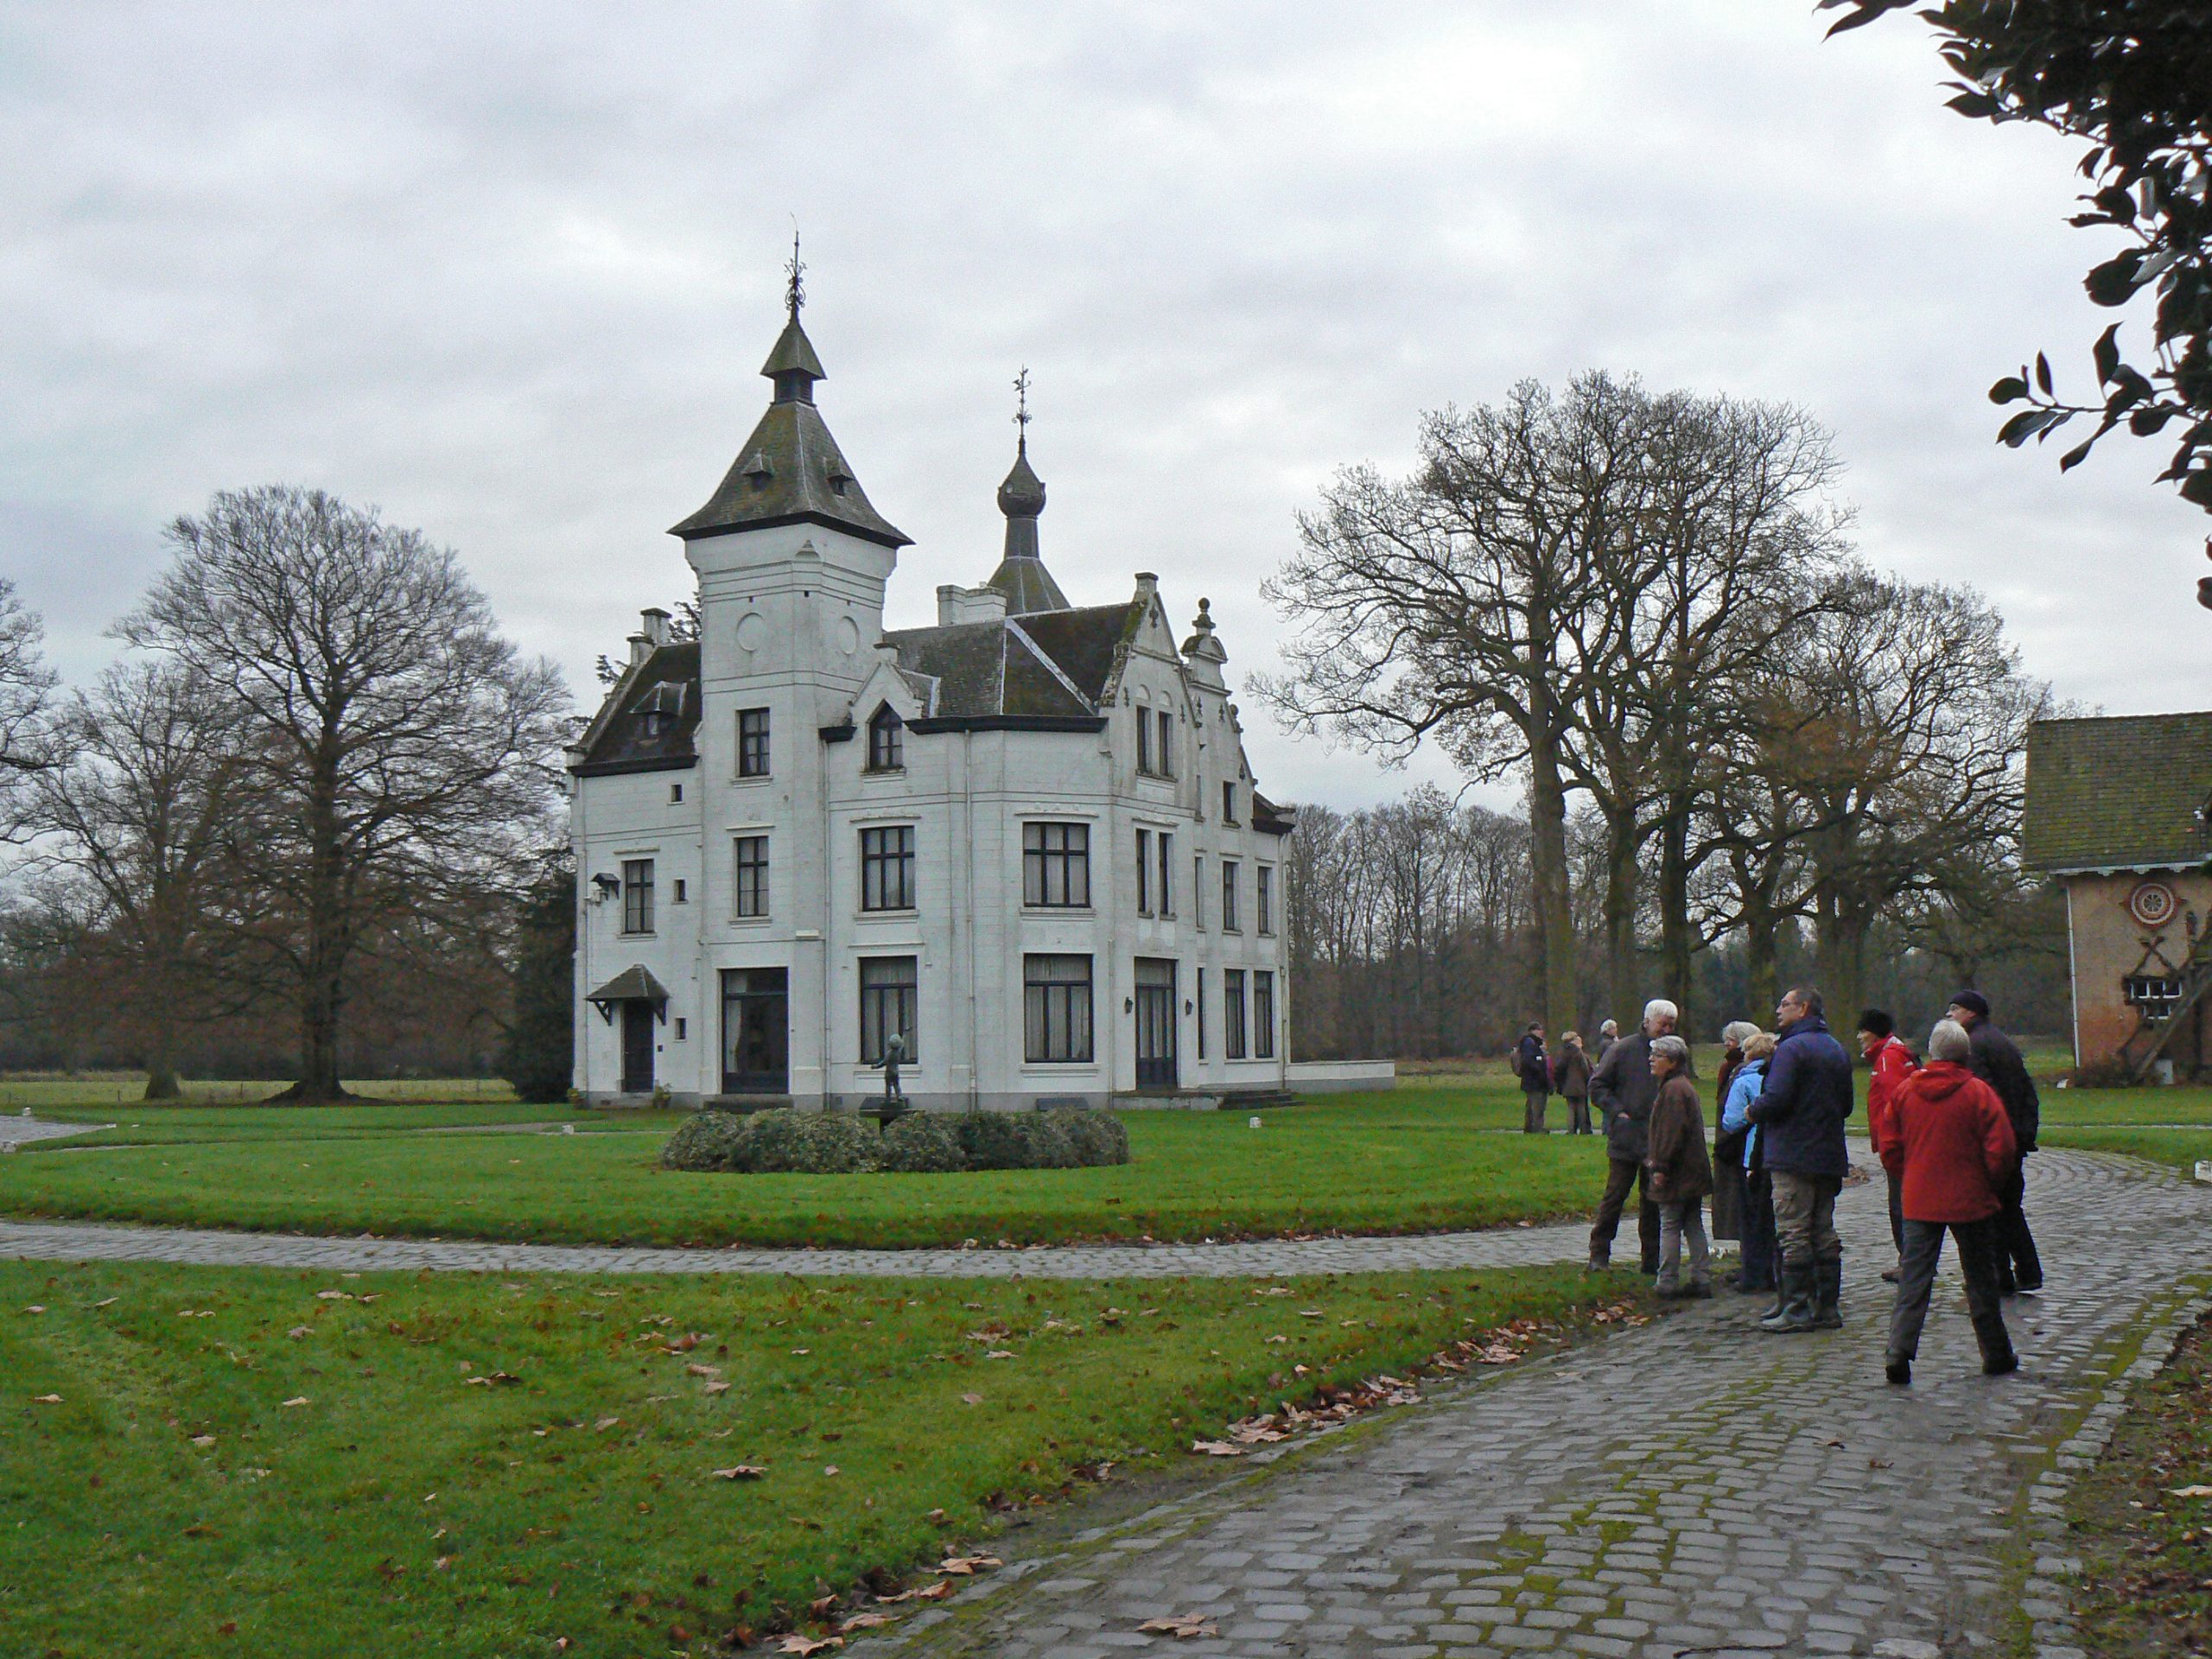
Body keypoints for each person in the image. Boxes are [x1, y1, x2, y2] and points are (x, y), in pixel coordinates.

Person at [1875, 1018, 2019, 1384]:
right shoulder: (1979, 1093)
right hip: (1970, 1198)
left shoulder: (1906, 1092)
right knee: (1980, 1279)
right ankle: (1996, 1353)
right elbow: (2001, 1149)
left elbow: (1890, 1145)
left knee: (1915, 1278)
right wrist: (1990, 1182)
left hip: (1921, 1198)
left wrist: (1910, 1175)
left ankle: (1898, 1351)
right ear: (1965, 1054)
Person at [1746, 986, 1854, 1333]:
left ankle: (1796, 1308)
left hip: (1793, 1154)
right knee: (1823, 1230)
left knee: (1792, 1230)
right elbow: (1848, 1105)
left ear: (1803, 1008)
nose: (1779, 1010)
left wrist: (1752, 1109)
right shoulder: (1836, 1048)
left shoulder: (1791, 1049)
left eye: (1785, 1004)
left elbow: (1777, 1098)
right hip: (1828, 1154)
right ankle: (1826, 1307)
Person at [1948, 989, 2043, 1295]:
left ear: (1971, 1013)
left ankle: (1999, 1277)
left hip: (1996, 1142)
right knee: (2010, 1208)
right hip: (2014, 1136)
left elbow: (1983, 1100)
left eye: (1955, 1009)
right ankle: (2028, 1271)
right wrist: (2025, 1133)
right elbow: (2027, 1091)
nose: (1950, 1015)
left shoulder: (1974, 1046)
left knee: (1993, 1210)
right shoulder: (2001, 1041)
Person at [1585, 999, 1675, 1274]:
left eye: (1672, 1025)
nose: (1667, 1029)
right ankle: (1599, 1254)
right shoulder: (1621, 1050)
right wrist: (1617, 1111)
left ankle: (1651, 1259)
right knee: (1615, 1197)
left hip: (1656, 1140)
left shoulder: (1673, 1053)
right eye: (1663, 1024)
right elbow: (1598, 1085)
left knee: (1653, 1202)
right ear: (1648, 1022)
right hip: (1625, 1138)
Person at [1643, 1034, 1715, 1298]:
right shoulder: (1681, 1086)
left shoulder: (1673, 1090)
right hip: (1692, 1171)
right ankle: (1701, 1277)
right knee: (1692, 1223)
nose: (1651, 1059)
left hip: (1678, 1171)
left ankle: (1667, 1281)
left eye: (1657, 1055)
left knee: (1670, 1224)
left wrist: (1660, 1166)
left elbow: (1671, 1133)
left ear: (1672, 1061)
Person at [1856, 1009, 1917, 1284]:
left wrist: (1889, 1145)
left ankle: (1910, 1263)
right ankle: (1912, 1260)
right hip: (1903, 1143)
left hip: (1898, 1146)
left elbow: (1895, 1103)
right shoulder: (1893, 1054)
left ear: (1874, 1032)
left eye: (1863, 1031)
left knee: (1900, 1205)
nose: (1859, 1037)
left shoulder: (1887, 1059)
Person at [1721, 1031, 1779, 1297]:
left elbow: (1730, 1122)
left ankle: (1755, 1274)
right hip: (1778, 1153)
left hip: (1751, 1156)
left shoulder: (1743, 1081)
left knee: (1752, 1218)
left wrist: (1749, 1116)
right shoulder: (1779, 1077)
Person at [1710, 1020, 1760, 1254]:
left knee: (1735, 1194)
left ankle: (1738, 1243)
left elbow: (1733, 1114)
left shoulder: (1740, 1071)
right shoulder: (1732, 1068)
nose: (1725, 1043)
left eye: (1730, 1038)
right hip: (1735, 1141)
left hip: (1735, 1141)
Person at [1515, 1021, 1551, 1135]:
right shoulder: (1529, 1043)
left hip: (1532, 1080)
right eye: (1539, 1030)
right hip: (1534, 1080)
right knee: (1537, 1106)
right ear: (1533, 1031)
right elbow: (1529, 1061)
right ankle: (1537, 1127)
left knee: (1532, 1105)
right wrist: (1540, 1069)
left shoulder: (1535, 1043)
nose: (1542, 1032)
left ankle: (1530, 1127)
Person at [1554, 1032, 1593, 1135]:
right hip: (1579, 1084)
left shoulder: (1563, 1053)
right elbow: (1585, 1069)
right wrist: (1588, 1079)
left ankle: (1571, 1130)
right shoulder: (1578, 1053)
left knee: (1571, 1108)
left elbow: (1558, 1068)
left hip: (1567, 1084)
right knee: (1581, 1108)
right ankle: (1584, 1129)